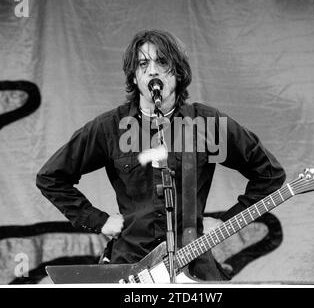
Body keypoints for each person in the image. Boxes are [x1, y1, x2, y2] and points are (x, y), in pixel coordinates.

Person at [36, 29, 286, 282]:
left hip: (192, 261)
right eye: (143, 64)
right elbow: (51, 177)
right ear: (134, 77)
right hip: (131, 265)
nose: (153, 71)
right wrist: (98, 221)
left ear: (177, 73)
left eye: (162, 62)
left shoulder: (205, 123)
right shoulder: (111, 127)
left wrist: (226, 221)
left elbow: (269, 174)